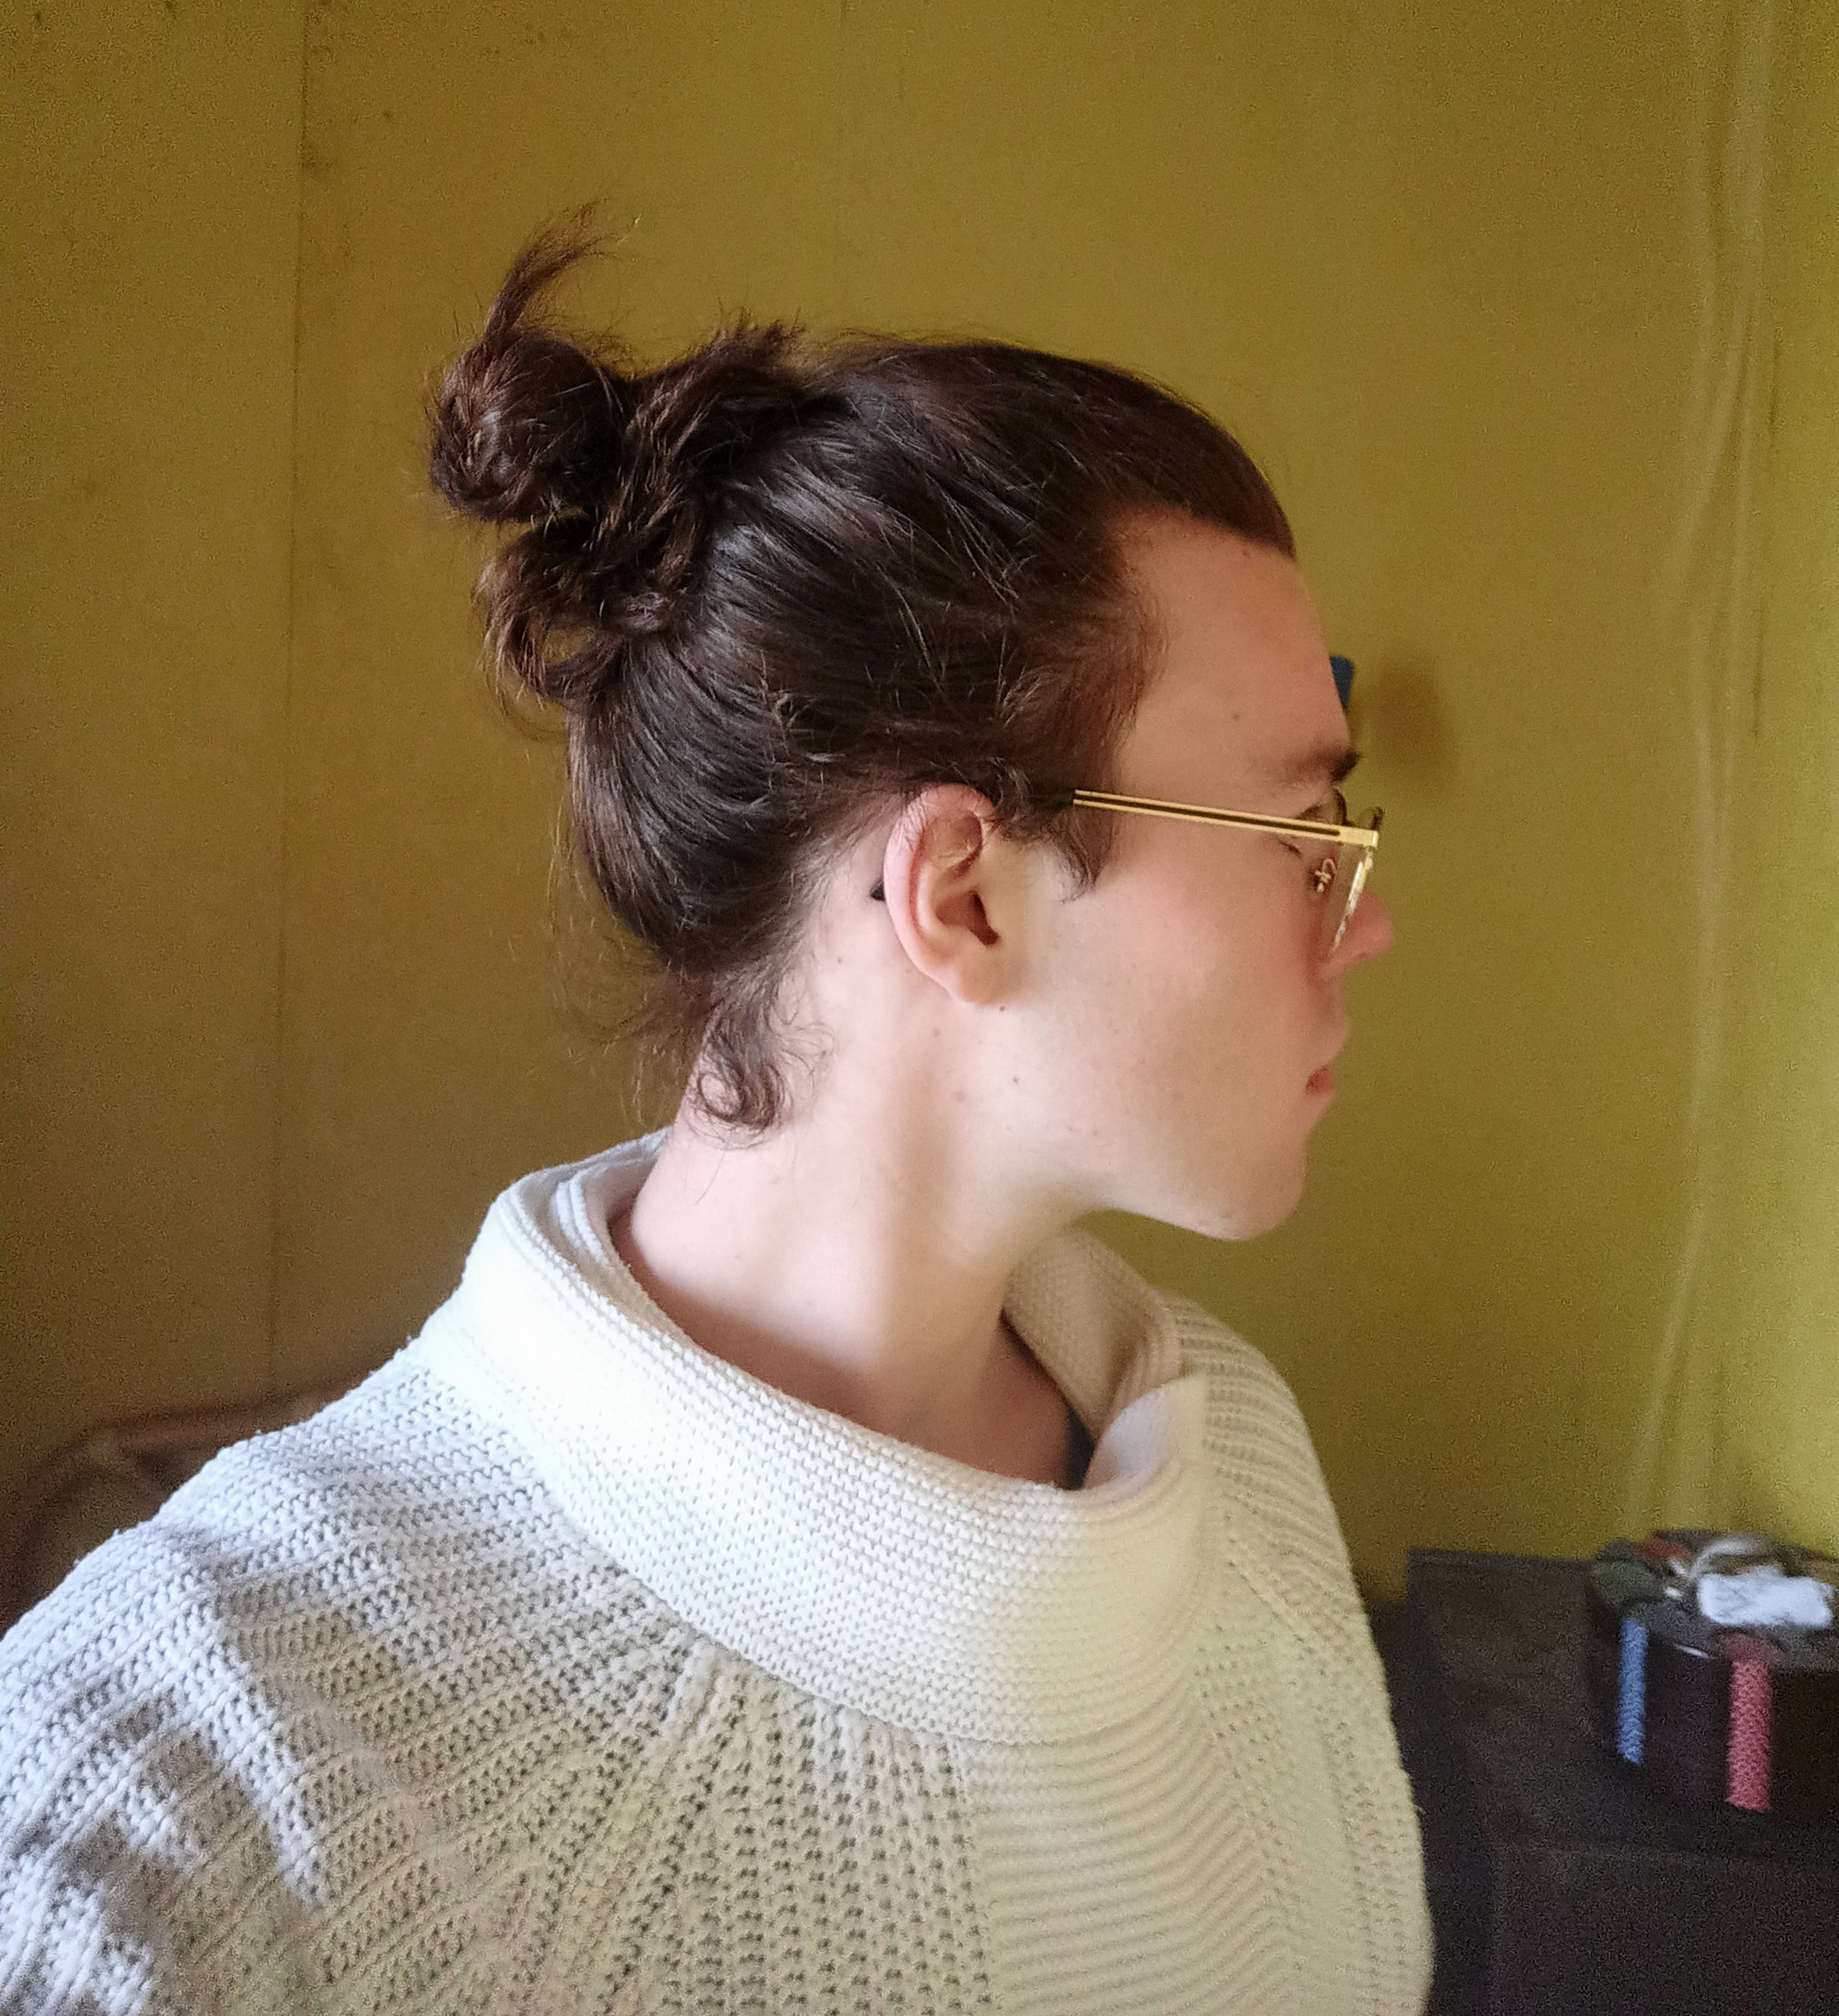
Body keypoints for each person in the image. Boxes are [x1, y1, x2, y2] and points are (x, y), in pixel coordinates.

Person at [0, 233, 1430, 2013]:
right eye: (1303, 834)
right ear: (964, 894)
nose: (1364, 920)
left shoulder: (1242, 1476)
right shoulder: (197, 1804)